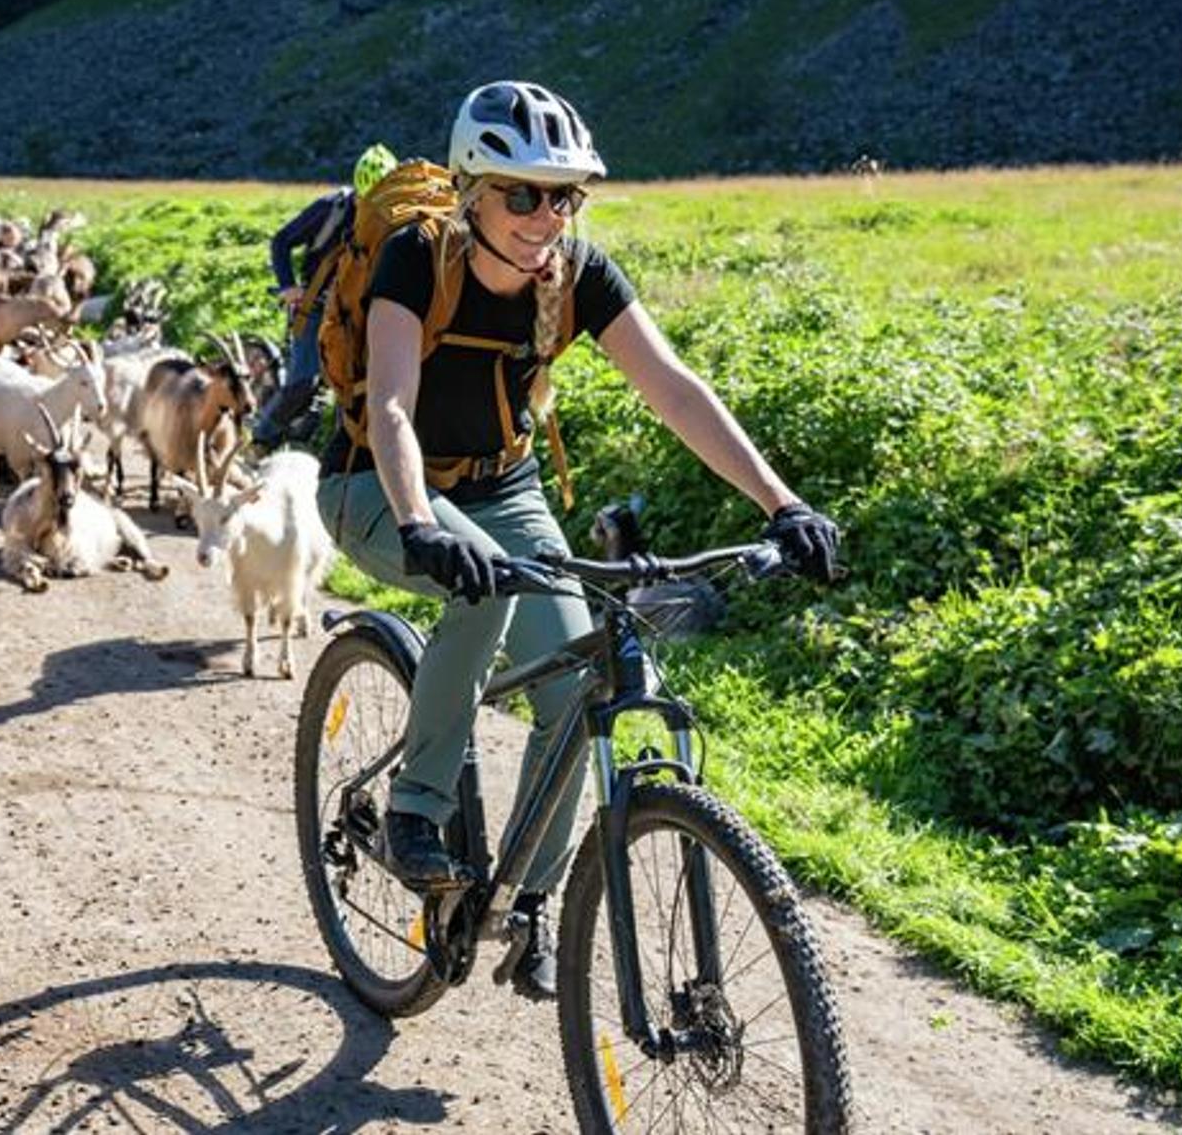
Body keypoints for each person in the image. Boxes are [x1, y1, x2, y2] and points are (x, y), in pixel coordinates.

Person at [314, 81, 840, 999]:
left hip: (502, 485)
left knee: (575, 685)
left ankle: (527, 903)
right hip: (372, 481)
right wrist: (419, 522)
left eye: (564, 196)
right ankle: (415, 808)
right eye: (523, 194)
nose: (546, 216)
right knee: (485, 590)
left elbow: (674, 388)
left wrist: (781, 502)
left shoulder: (578, 275)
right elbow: (391, 405)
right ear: (474, 191)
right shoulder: (413, 256)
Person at [251, 143, 399, 449]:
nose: (369, 211)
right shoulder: (331, 209)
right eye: (365, 201)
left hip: (356, 312)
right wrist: (288, 285)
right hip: (314, 308)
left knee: (352, 388)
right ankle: (260, 441)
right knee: (302, 385)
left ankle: (326, 450)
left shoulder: (393, 221)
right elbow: (281, 241)